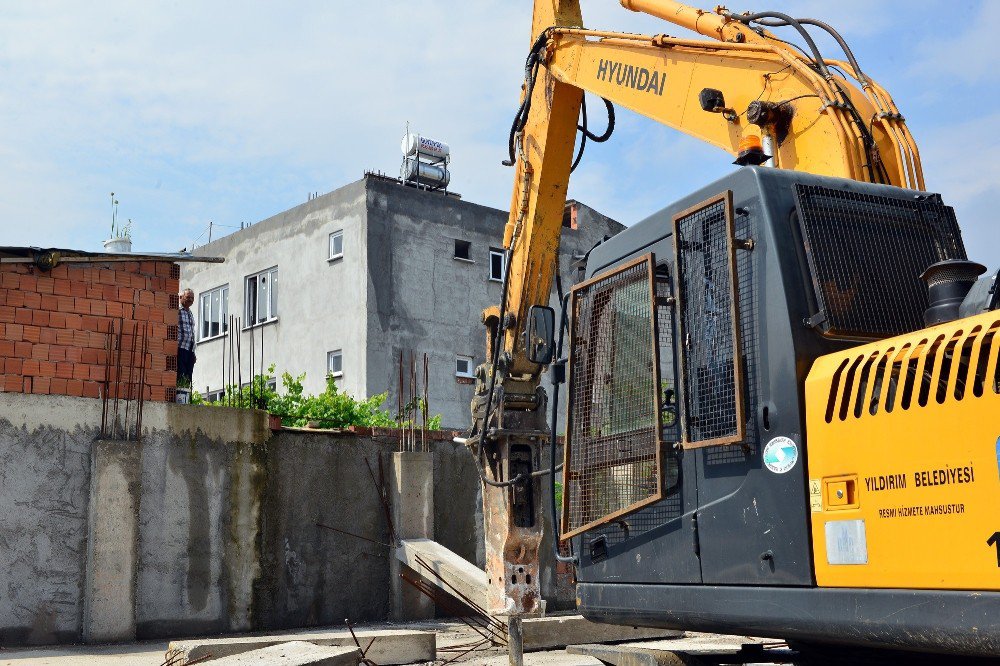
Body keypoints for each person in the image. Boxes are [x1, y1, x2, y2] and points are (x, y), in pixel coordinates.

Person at [177, 288, 197, 386]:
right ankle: (180, 397)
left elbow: (191, 332)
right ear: (181, 297)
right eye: (188, 297)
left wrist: (193, 353)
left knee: (189, 376)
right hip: (181, 348)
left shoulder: (190, 312)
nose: (190, 300)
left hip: (190, 350)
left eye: (192, 298)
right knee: (181, 374)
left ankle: (186, 396)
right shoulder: (177, 311)